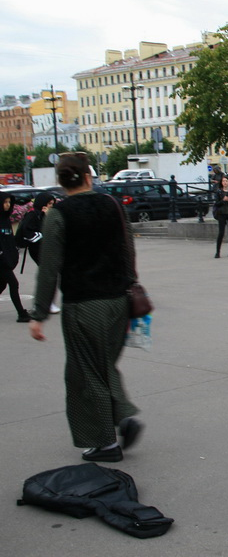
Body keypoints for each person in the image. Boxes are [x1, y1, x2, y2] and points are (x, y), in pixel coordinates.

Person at [28, 152, 144, 463]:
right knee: (103, 364)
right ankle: (123, 416)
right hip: (119, 301)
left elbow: (49, 267)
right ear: (89, 177)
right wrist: (129, 285)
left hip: (83, 305)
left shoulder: (59, 214)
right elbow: (127, 249)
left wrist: (39, 314)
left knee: (84, 373)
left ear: (61, 182)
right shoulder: (112, 205)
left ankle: (105, 441)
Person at [17, 192, 61, 312]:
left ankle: (46, 303)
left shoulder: (43, 215)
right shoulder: (33, 215)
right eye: (49, 203)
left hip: (47, 248)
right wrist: (42, 235)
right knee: (48, 275)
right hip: (38, 249)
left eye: (52, 204)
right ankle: (42, 304)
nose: (51, 206)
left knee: (51, 275)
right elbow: (29, 233)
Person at [0, 192, 30, 322]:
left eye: (9, 202)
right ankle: (22, 314)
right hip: (1, 261)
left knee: (1, 285)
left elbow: (10, 240)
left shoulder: (6, 219)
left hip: (7, 260)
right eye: (5, 202)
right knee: (14, 284)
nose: (8, 205)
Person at [214, 176, 228, 258]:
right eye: (223, 181)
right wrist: (223, 200)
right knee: (221, 232)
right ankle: (217, 252)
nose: (225, 183)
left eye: (226, 181)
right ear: (221, 183)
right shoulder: (219, 192)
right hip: (221, 214)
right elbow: (216, 204)